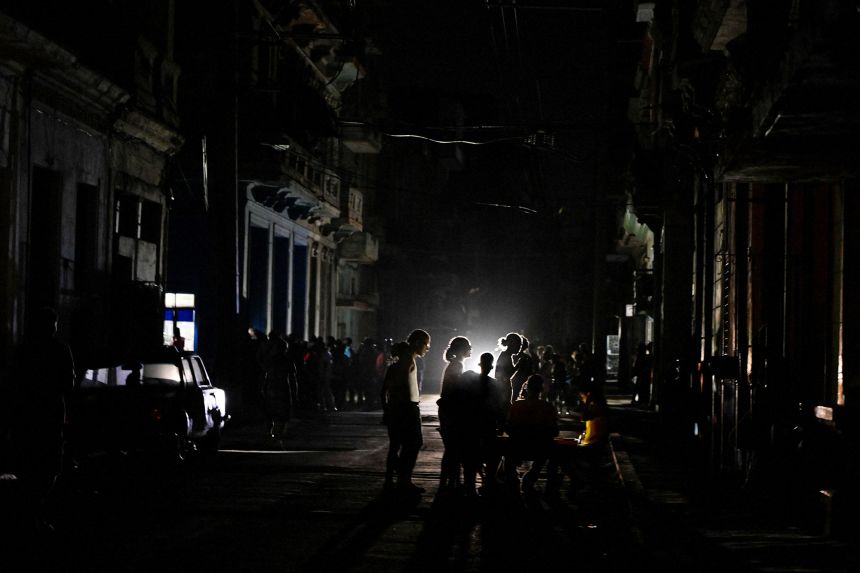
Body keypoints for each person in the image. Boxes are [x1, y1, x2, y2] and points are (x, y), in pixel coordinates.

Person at [8, 306, 76, 531]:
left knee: (27, 466)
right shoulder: (60, 350)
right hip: (50, 416)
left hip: (26, 418)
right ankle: (34, 514)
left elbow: (12, 383)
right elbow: (69, 384)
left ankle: (26, 515)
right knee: (49, 467)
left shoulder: (23, 351)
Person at [379, 329, 431, 494]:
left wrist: (388, 409)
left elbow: (385, 387)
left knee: (396, 445)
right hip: (405, 408)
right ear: (417, 342)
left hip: (397, 408)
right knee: (413, 443)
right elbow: (399, 385)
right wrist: (402, 407)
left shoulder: (399, 357)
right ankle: (403, 480)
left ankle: (391, 480)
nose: (427, 348)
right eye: (426, 344)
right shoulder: (407, 358)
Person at [436, 336, 479, 496]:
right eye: (468, 346)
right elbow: (453, 392)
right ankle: (448, 484)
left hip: (449, 410)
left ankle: (450, 483)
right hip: (450, 411)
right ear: (462, 349)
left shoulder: (455, 365)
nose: (470, 349)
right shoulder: (456, 366)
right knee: (452, 449)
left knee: (452, 449)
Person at [505, 374, 558, 494]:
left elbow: (509, 428)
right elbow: (554, 431)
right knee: (553, 450)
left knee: (506, 451)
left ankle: (511, 480)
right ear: (541, 389)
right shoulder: (548, 408)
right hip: (540, 449)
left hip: (517, 447)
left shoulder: (517, 406)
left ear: (526, 388)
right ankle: (535, 477)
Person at [259, 333, 298, 441]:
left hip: (271, 388)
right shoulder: (288, 361)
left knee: (270, 411)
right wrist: (295, 392)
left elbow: (264, 374)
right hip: (283, 388)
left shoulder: (270, 360)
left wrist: (263, 387)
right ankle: (277, 434)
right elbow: (293, 378)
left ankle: (269, 432)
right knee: (282, 412)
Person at [495, 332, 522, 409]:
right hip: (503, 388)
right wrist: (519, 365)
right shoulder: (505, 356)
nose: (520, 348)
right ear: (512, 344)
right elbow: (507, 375)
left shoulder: (506, 355)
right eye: (519, 345)